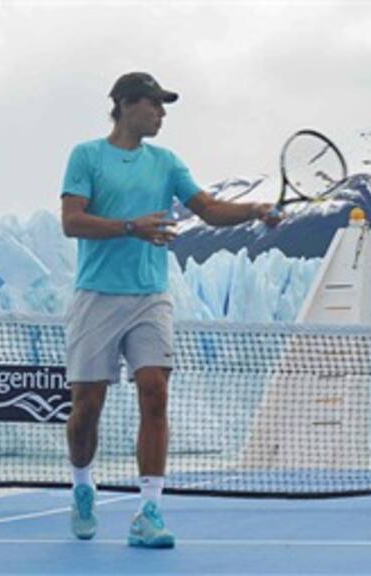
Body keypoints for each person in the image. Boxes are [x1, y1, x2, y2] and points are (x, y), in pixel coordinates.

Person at [61, 72, 280, 548]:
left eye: (163, 105)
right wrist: (129, 227)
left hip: (150, 295)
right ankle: (82, 485)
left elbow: (209, 209)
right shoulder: (87, 156)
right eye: (155, 104)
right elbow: (71, 221)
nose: (162, 113)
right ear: (124, 104)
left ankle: (150, 511)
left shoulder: (167, 162)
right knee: (86, 409)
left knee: (155, 391)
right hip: (97, 294)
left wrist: (255, 209)